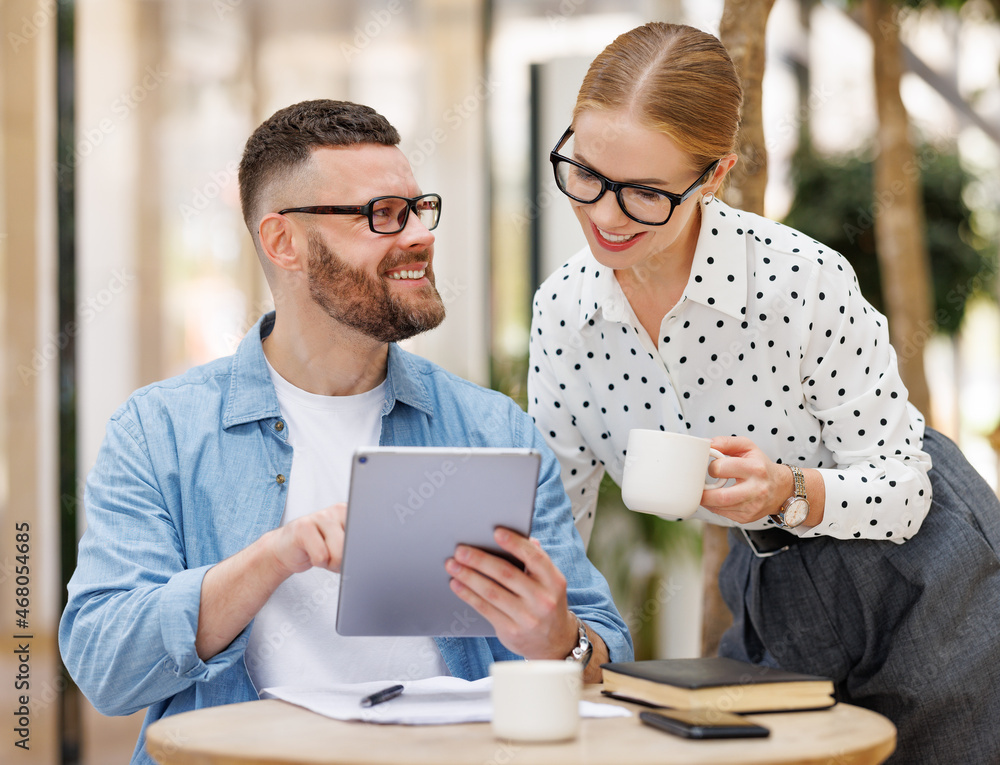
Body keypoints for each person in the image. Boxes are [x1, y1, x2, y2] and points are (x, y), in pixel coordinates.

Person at [60, 99, 632, 765]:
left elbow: (605, 648)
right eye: (381, 215)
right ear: (284, 242)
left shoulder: (491, 427)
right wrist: (271, 558)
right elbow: (106, 666)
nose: (418, 234)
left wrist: (559, 638)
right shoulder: (159, 431)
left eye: (419, 209)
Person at [528, 21, 1000, 764]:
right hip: (770, 574)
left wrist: (784, 489)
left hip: (919, 568)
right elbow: (554, 517)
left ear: (713, 176)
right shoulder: (564, 312)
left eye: (647, 192)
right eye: (585, 173)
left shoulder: (800, 281)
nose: (605, 214)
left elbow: (905, 491)